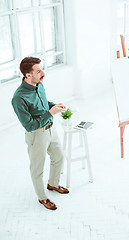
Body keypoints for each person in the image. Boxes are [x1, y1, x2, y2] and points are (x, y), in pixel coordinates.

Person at [12, 57, 69, 210]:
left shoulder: (39, 84)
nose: (43, 73)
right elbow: (29, 125)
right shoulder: (18, 98)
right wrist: (51, 112)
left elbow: (43, 104)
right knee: (37, 169)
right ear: (28, 75)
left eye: (41, 69)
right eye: (38, 71)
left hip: (51, 129)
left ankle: (53, 184)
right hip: (37, 135)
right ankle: (42, 198)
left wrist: (53, 106)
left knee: (59, 157)